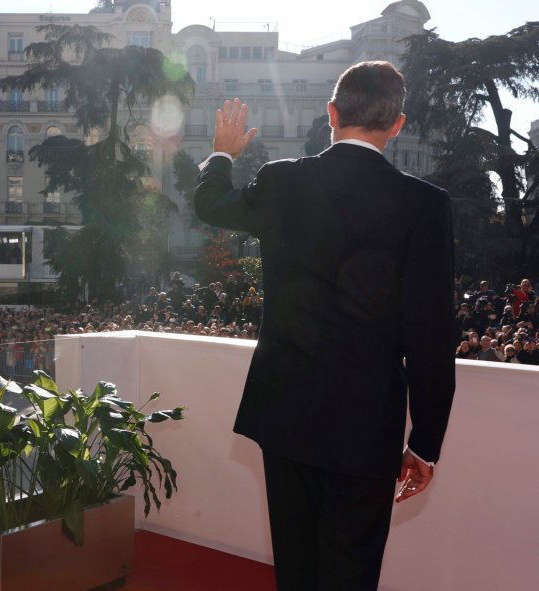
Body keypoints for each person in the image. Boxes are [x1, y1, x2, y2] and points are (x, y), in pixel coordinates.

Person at [194, 61, 455, 590]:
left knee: (297, 563)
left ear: (331, 113)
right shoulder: (425, 205)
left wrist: (222, 153)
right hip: (367, 422)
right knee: (351, 569)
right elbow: (431, 335)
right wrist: (425, 441)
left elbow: (210, 204)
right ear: (397, 124)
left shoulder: (281, 180)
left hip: (285, 411)